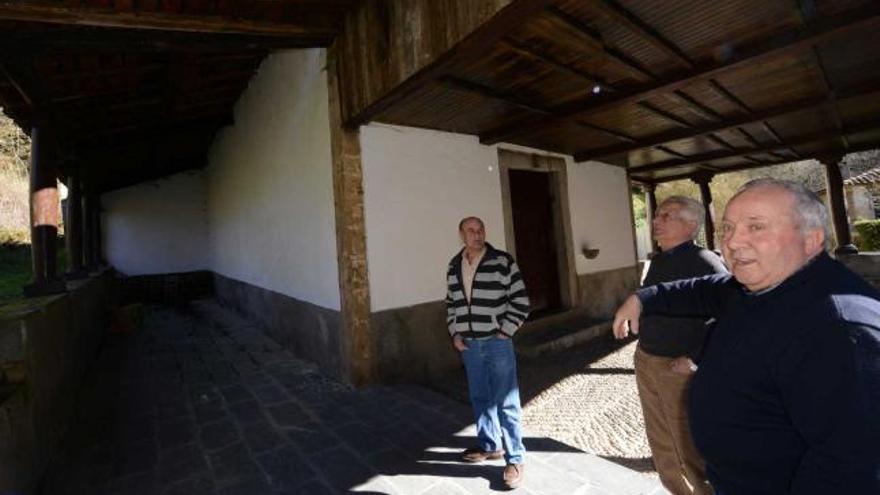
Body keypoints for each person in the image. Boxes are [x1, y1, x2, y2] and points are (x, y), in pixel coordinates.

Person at [613, 178, 880, 494]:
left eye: (756, 227)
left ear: (811, 240)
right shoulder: (760, 283)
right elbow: (700, 290)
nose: (733, 242)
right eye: (728, 228)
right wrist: (645, 297)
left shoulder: (839, 329)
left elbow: (854, 467)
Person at [634, 196, 727, 495]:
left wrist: (695, 358)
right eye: (657, 215)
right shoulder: (659, 260)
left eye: (666, 216)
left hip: (678, 368)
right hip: (647, 359)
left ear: (691, 224)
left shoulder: (705, 262)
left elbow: (730, 315)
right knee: (660, 441)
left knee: (689, 445)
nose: (656, 221)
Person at [445, 216, 530, 490]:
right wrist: (455, 333)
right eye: (470, 230)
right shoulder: (454, 265)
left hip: (497, 343)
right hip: (468, 344)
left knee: (506, 401)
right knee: (480, 396)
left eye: (480, 229)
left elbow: (521, 301)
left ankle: (515, 458)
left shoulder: (502, 261)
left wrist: (505, 332)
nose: (477, 234)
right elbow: (451, 304)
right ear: (461, 234)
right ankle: (490, 445)